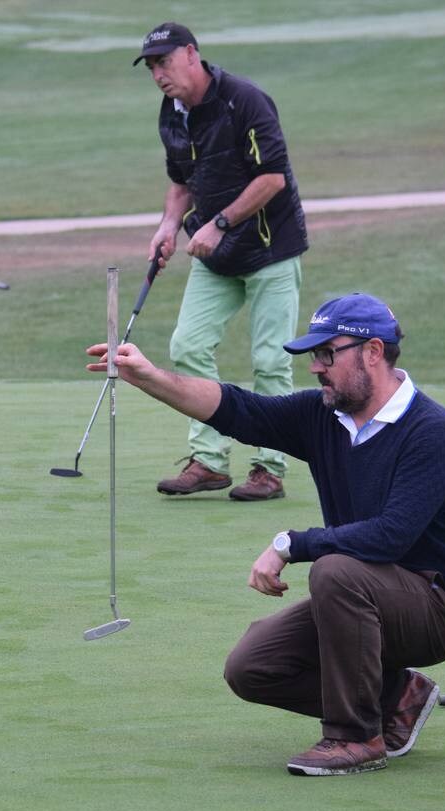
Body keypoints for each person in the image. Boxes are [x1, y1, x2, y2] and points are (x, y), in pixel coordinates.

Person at [86, 293, 445, 776]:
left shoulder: (431, 430)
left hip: (438, 607)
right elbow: (240, 411)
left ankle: (355, 737)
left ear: (373, 353)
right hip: (366, 597)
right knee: (251, 666)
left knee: (336, 570)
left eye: (327, 354)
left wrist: (291, 544)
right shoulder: (326, 416)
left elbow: (390, 537)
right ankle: (396, 696)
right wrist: (149, 377)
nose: (316, 368)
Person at [134, 22, 309, 501]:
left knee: (271, 361)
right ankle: (209, 460)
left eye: (164, 62)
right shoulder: (171, 113)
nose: (158, 75)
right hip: (216, 255)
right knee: (187, 345)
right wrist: (169, 225)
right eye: (151, 67)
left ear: (192, 55)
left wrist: (220, 224)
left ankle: (270, 468)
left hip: (271, 248)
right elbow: (180, 179)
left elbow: (273, 177)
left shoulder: (244, 100)